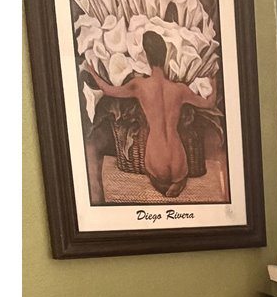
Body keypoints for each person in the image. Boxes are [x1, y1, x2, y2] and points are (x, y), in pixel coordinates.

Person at [80, 30, 217, 199]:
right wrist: (214, 83)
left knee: (155, 176)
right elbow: (208, 103)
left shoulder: (140, 86)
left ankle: (162, 185)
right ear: (165, 55)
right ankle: (178, 183)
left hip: (156, 157)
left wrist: (93, 72)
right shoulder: (179, 90)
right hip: (179, 160)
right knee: (178, 176)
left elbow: (108, 90)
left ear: (146, 56)